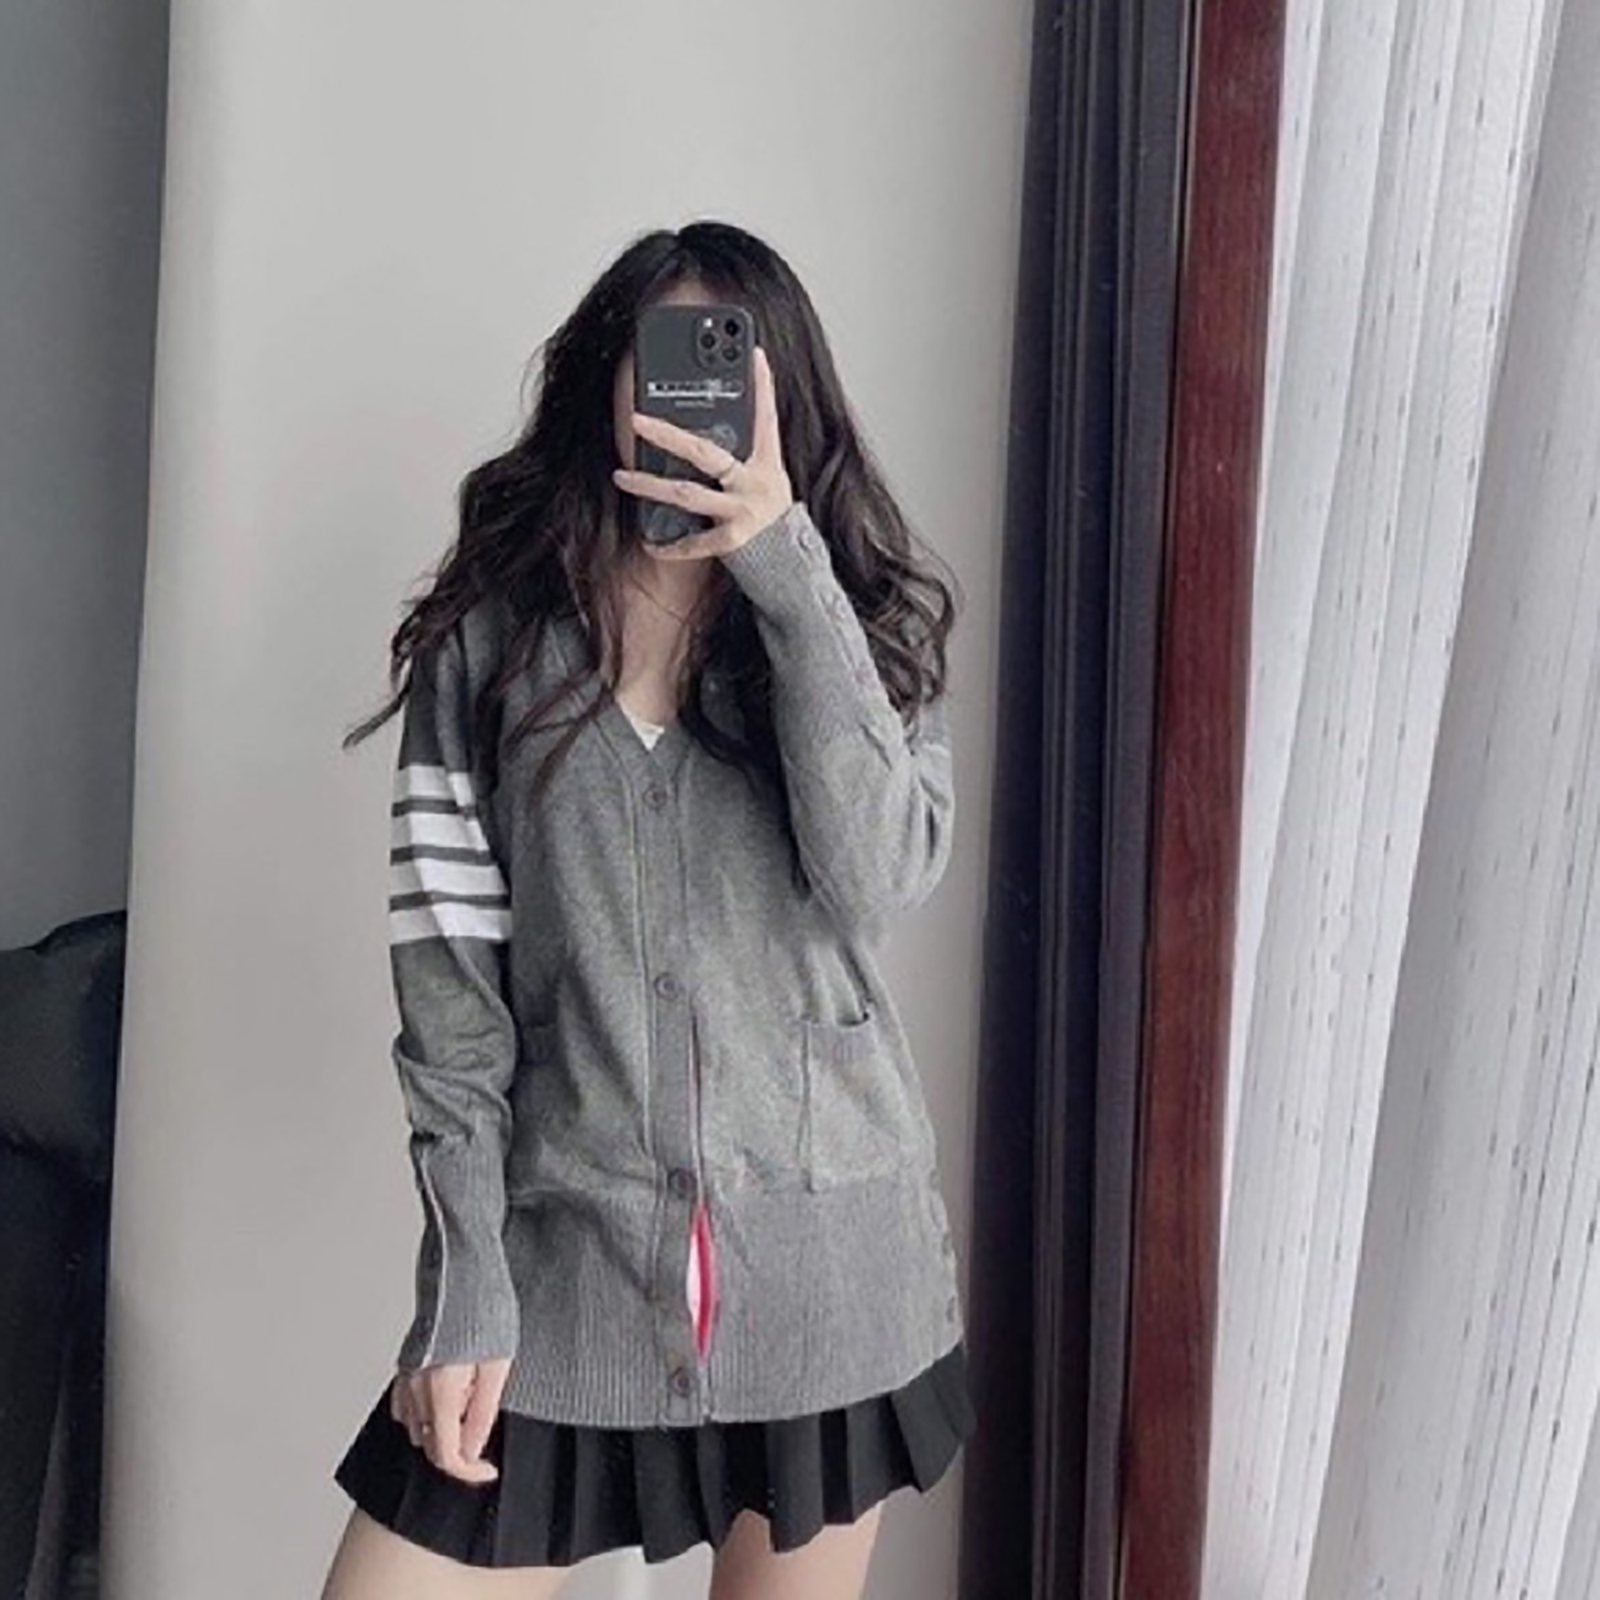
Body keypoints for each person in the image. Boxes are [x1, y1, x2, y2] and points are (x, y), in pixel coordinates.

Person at [320, 219, 975, 1600]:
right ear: (607, 381)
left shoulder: (857, 627)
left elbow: (880, 878)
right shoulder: (490, 647)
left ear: (785, 399)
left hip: (828, 1291)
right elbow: (449, 1000)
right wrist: (464, 1279)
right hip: (568, 1272)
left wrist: (785, 567)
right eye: (667, 357)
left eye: (730, 367)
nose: (693, 396)